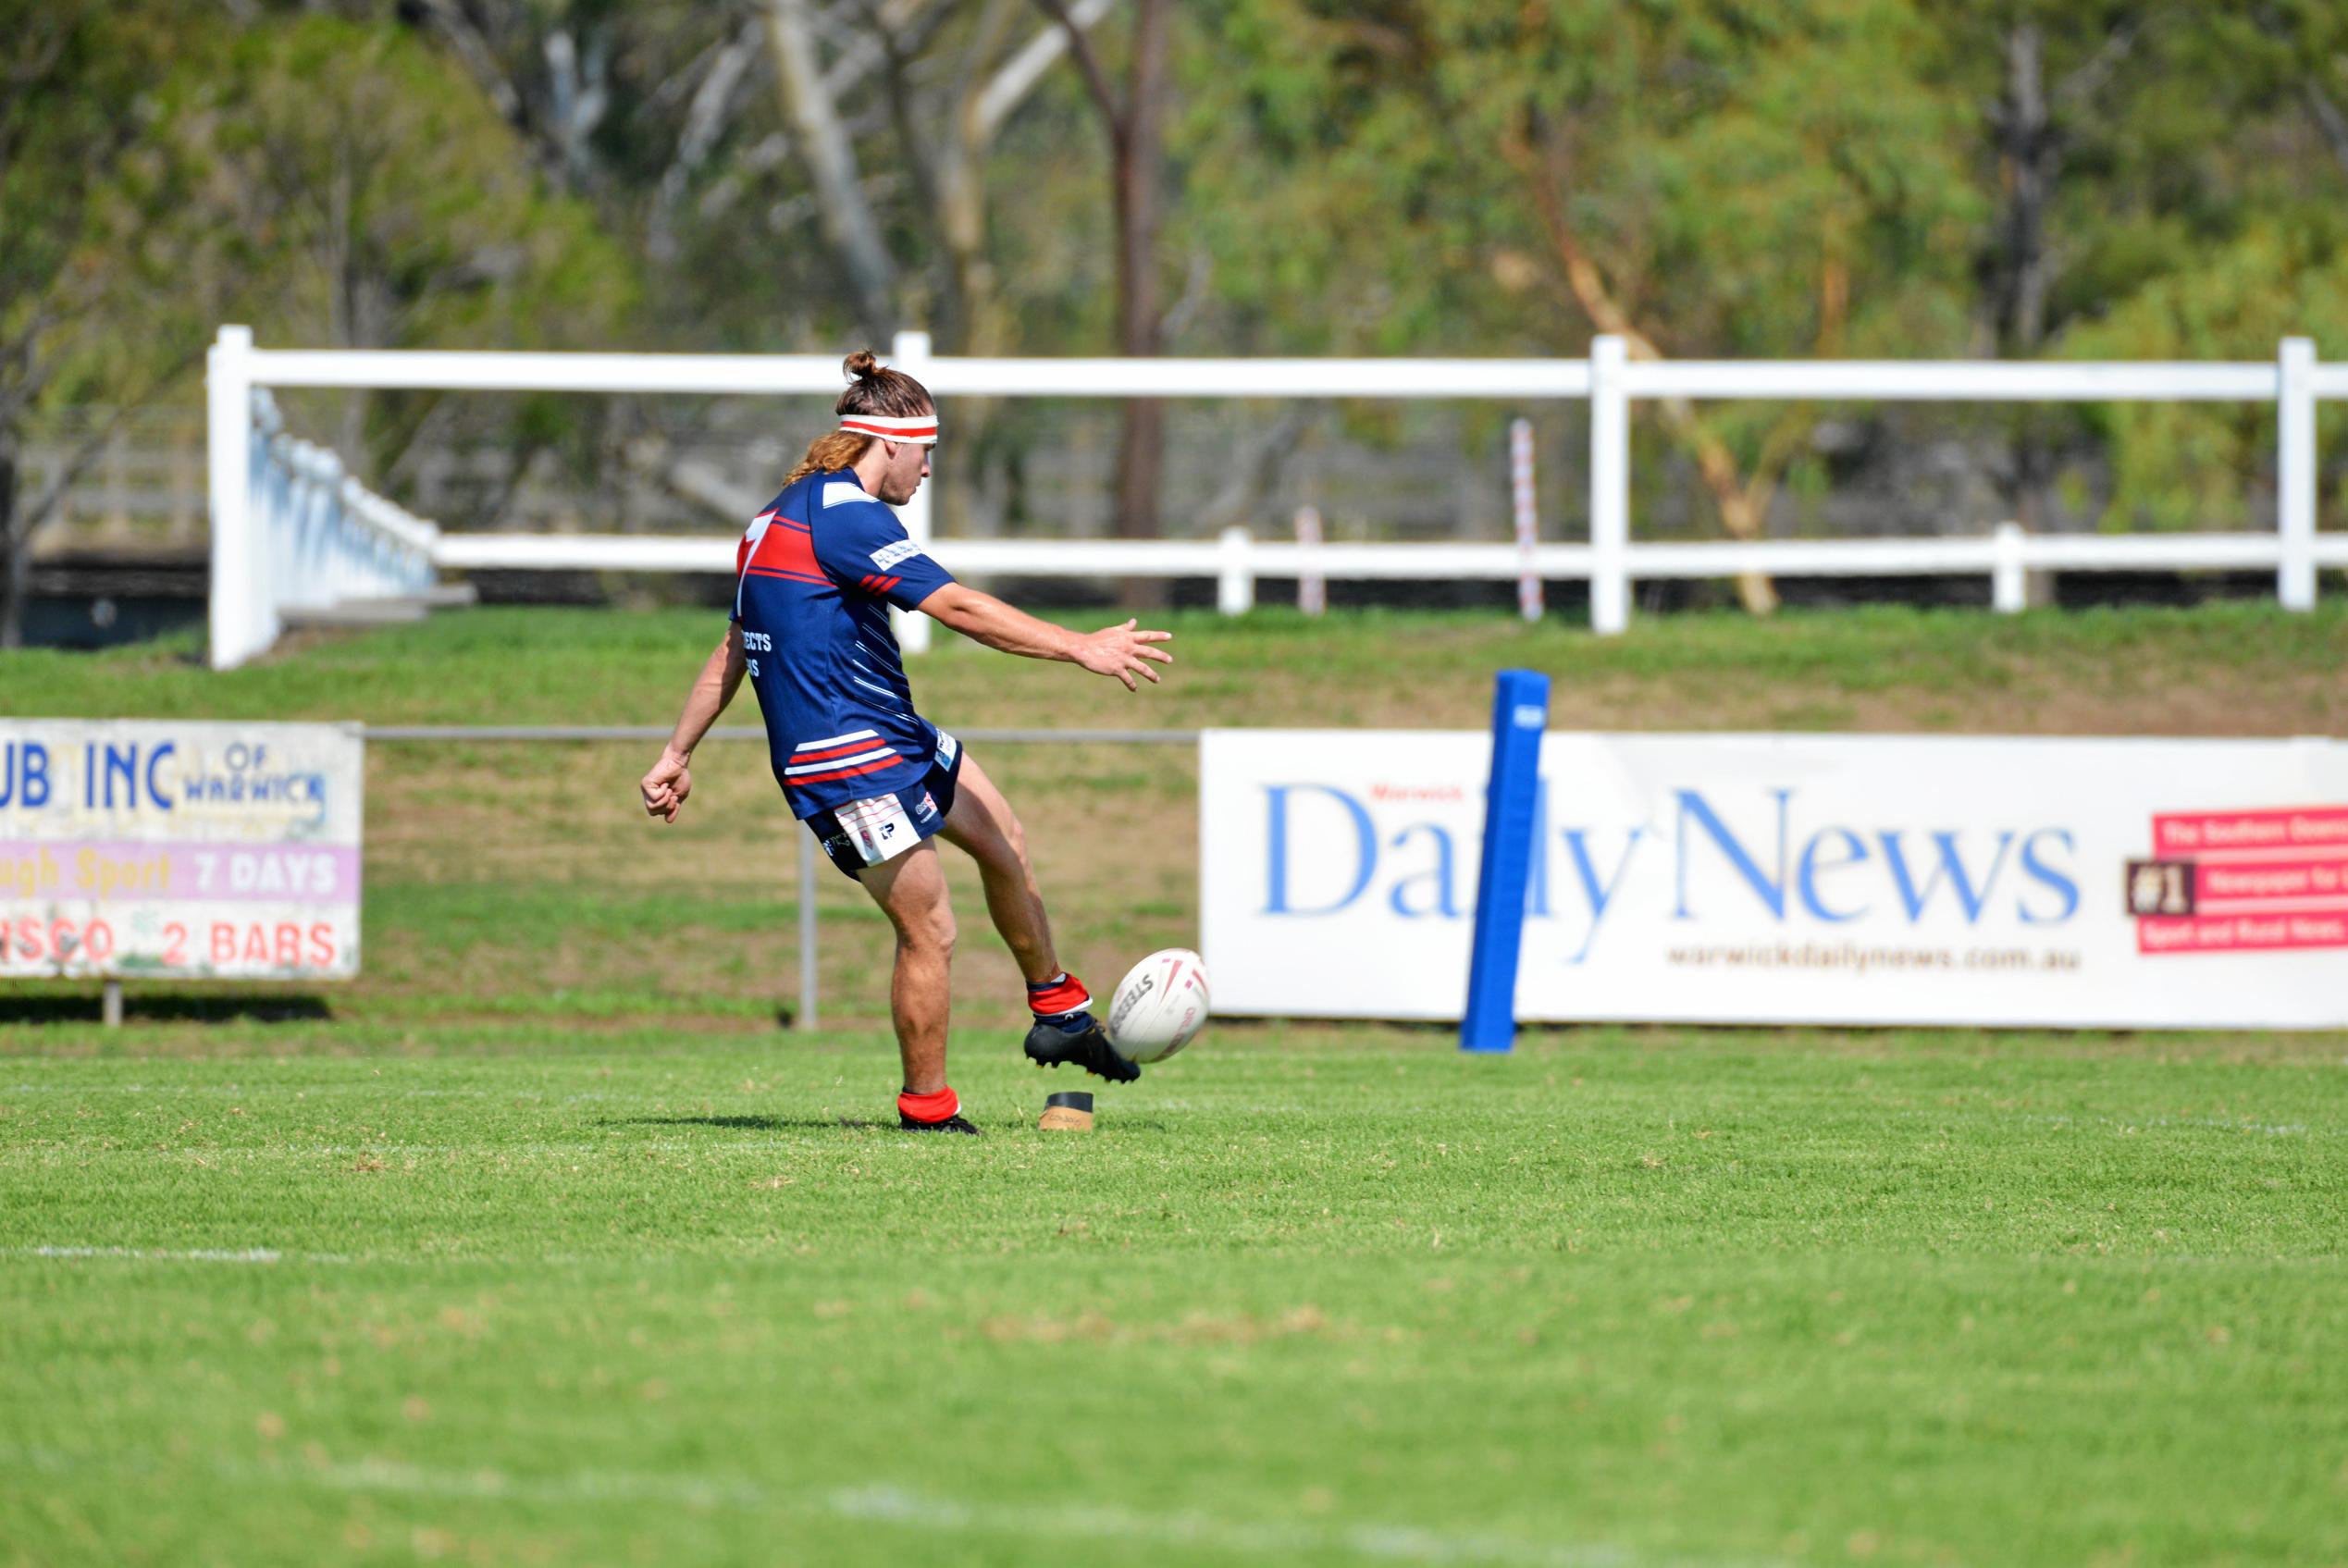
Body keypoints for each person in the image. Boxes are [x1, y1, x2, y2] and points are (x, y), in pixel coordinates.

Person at [638, 351, 1174, 1134]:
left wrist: (677, 751)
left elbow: (733, 644)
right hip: (842, 759)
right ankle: (927, 1111)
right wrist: (1078, 646)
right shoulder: (847, 516)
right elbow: (956, 606)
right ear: (888, 442)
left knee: (1005, 841)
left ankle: (1057, 1007)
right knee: (931, 928)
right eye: (926, 453)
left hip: (893, 731)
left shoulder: (776, 515)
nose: (927, 472)